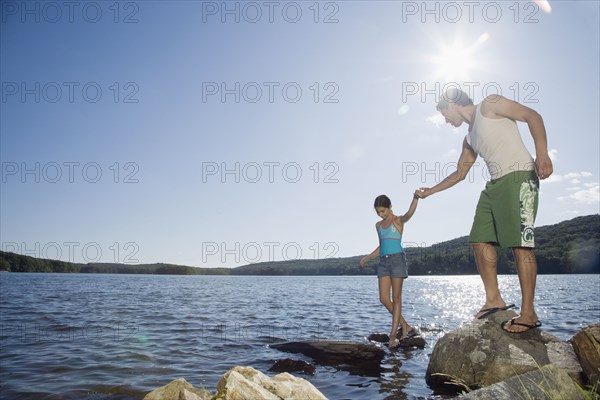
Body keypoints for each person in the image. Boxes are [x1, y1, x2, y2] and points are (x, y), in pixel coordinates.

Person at [415, 88, 553, 333]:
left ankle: (529, 313)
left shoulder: (490, 104)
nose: (446, 120)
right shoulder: (468, 138)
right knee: (479, 240)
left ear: (452, 104)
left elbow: (533, 116)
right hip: (494, 185)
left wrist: (542, 154)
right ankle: (494, 300)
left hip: (520, 177)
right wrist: (431, 191)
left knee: (520, 245)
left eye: (445, 114)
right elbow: (460, 172)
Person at [360, 194, 419, 347]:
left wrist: (415, 198)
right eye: (378, 212)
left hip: (397, 260)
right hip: (383, 262)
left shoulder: (398, 220)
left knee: (397, 298)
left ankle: (393, 334)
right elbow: (381, 246)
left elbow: (409, 214)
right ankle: (405, 326)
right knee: (384, 299)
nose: (381, 214)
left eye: (383, 211)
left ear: (390, 207)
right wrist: (367, 257)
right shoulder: (378, 226)